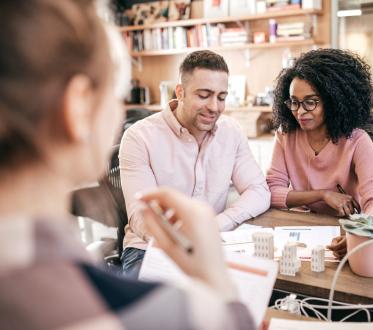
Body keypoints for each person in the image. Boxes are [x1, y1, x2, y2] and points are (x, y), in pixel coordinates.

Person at [0, 1, 254, 329]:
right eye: (116, 95)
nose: (120, 114)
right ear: (78, 107)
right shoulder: (158, 315)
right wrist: (217, 284)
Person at [119, 50, 270, 277]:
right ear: (180, 92)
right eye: (204, 95)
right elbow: (142, 218)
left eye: (221, 97)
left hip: (216, 245)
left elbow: (258, 190)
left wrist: (216, 225)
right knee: (164, 306)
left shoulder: (231, 132)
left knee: (262, 291)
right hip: (149, 249)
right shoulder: (139, 137)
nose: (214, 107)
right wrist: (188, 241)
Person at [266, 49, 373, 259]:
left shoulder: (357, 141)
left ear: (333, 100)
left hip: (345, 228)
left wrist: (359, 234)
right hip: (302, 229)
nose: (300, 112)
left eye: (311, 102)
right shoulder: (285, 135)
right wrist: (323, 194)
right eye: (294, 102)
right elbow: (272, 192)